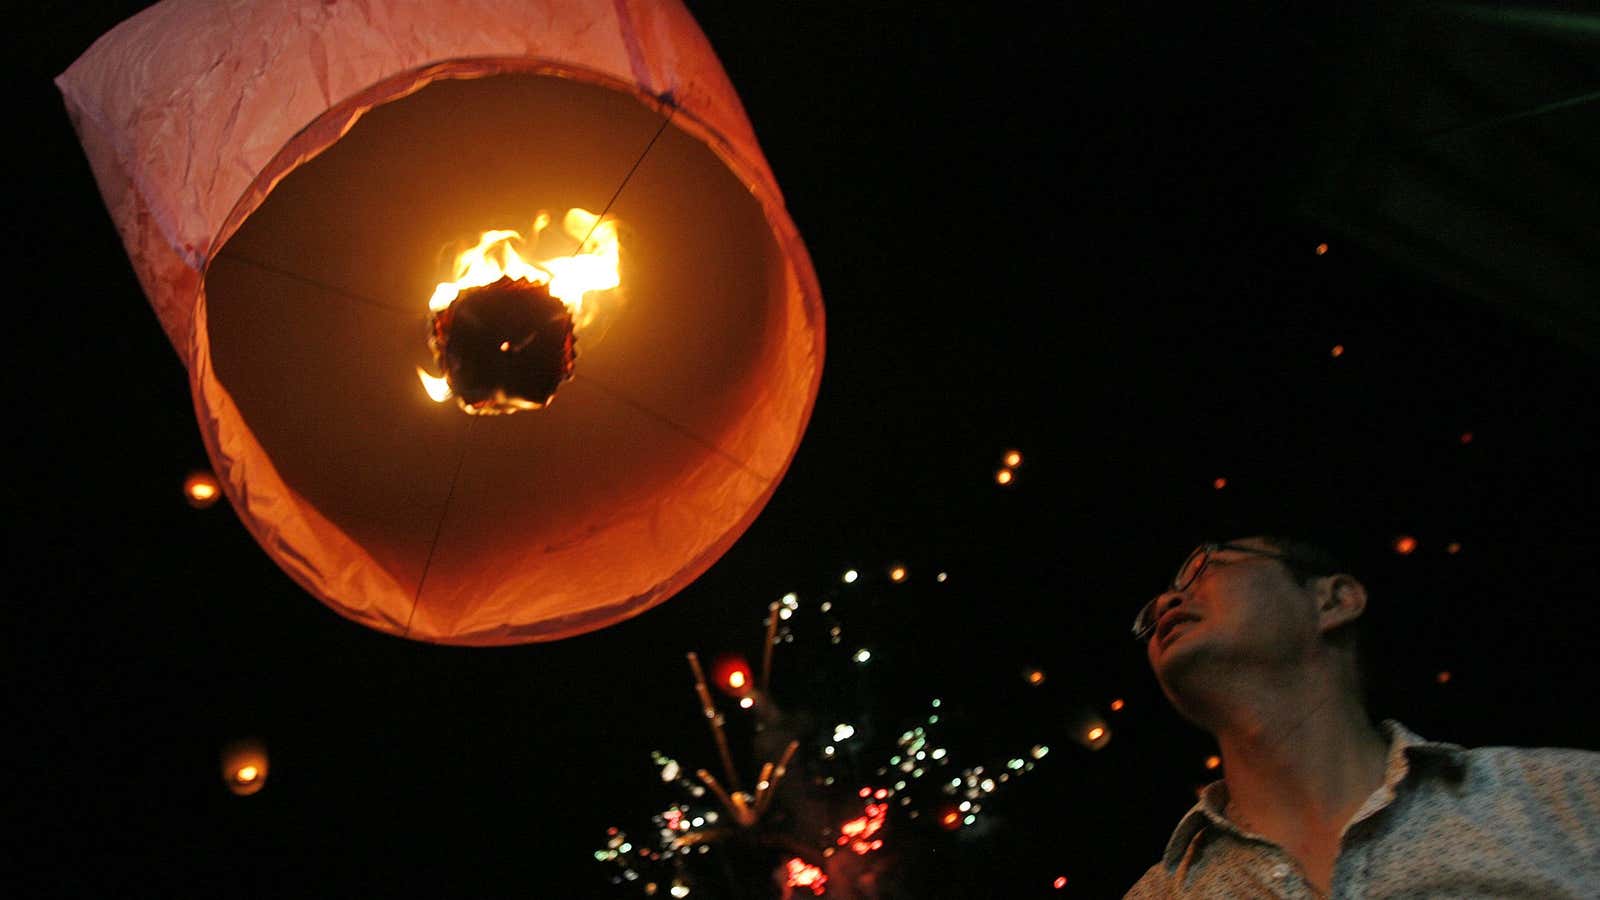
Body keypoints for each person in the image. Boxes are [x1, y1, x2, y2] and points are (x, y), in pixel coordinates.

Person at [1124, 536, 1600, 898]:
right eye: (1151, 613)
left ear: (1334, 600)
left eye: (1206, 566)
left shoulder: (1565, 797)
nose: (1165, 602)